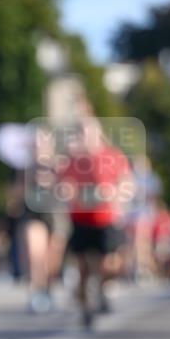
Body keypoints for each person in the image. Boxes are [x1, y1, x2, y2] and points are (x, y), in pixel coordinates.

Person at [59, 117, 133, 327]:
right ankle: (86, 309)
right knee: (82, 267)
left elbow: (126, 182)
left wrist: (115, 194)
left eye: (87, 132)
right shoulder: (73, 160)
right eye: (80, 133)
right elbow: (63, 185)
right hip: (81, 218)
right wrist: (68, 193)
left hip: (106, 218)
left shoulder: (112, 156)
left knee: (108, 265)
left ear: (97, 134)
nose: (84, 137)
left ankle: (101, 290)